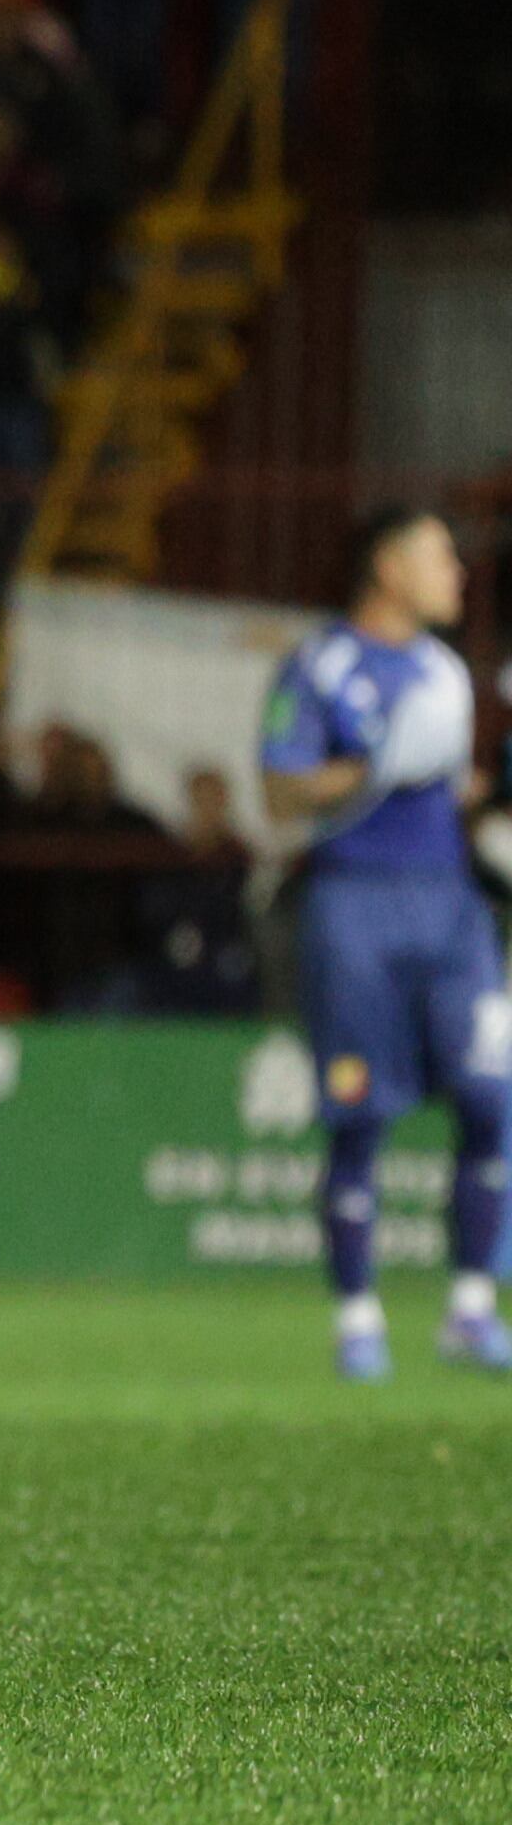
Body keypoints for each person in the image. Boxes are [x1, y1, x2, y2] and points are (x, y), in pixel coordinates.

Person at [255, 508, 511, 1381]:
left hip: (449, 908)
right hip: (353, 907)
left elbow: (450, 796)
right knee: (359, 1117)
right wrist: (373, 769)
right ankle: (357, 1318)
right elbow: (281, 795)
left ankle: (471, 1310)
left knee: (491, 1097)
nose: (458, 573)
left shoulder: (446, 673)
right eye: (441, 557)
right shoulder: (319, 664)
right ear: (388, 569)